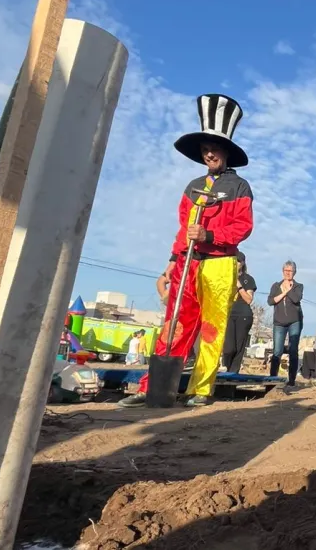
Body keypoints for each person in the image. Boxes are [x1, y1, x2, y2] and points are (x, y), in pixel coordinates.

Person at [118, 94, 253, 408]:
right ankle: (152, 387)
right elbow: (183, 227)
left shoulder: (239, 187)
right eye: (205, 149)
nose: (209, 153)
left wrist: (209, 233)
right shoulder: (192, 185)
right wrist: (172, 258)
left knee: (211, 327)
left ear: (226, 151)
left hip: (220, 264)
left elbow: (243, 226)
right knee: (174, 323)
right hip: (187, 261)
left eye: (214, 148)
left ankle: (200, 390)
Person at [268, 261, 304, 388]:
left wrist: (289, 289)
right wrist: (284, 292)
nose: (288, 273)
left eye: (291, 271)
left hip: (294, 321)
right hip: (279, 323)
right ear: (282, 271)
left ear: (294, 272)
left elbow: (296, 299)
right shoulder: (276, 286)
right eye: (286, 270)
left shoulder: (298, 286)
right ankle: (272, 379)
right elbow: (270, 301)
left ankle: (291, 380)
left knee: (293, 350)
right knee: (277, 351)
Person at [222, 251, 256, 374]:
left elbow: (248, 299)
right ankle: (226, 369)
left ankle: (233, 374)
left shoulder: (248, 279)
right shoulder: (224, 276)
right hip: (228, 313)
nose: (235, 263)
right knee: (228, 348)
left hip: (243, 314)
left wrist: (239, 286)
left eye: (237, 261)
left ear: (242, 263)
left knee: (239, 348)